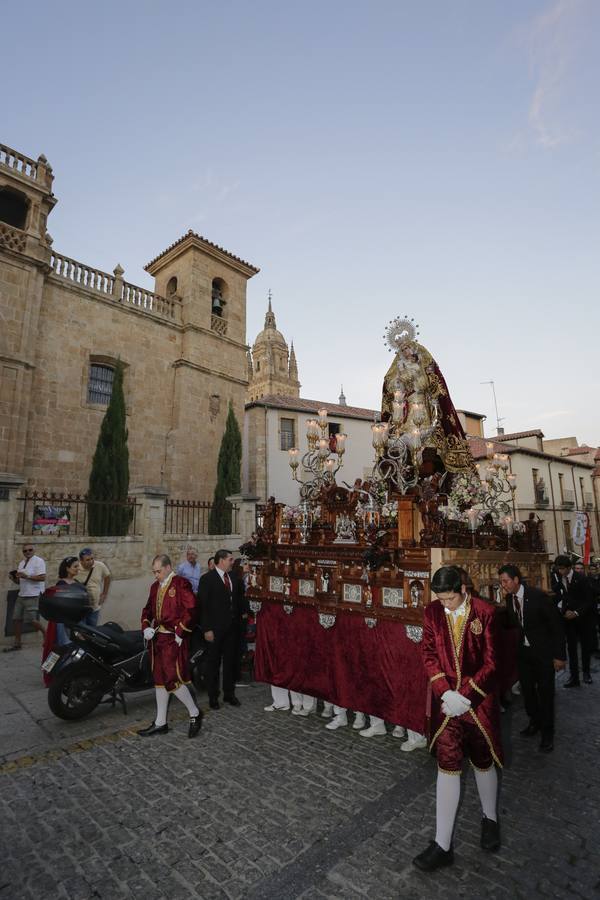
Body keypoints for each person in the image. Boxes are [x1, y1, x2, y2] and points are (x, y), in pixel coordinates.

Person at [413, 566, 502, 873]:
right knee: (447, 764)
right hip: (448, 705)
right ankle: (442, 844)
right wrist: (444, 692)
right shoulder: (432, 612)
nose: (446, 605)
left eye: (450, 598)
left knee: (482, 760)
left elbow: (493, 662)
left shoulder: (486, 612)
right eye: (441, 599)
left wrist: (467, 695)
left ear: (463, 588)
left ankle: (490, 818)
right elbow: (427, 654)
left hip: (479, 702)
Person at [498, 564, 566, 752]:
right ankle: (534, 722)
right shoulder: (509, 599)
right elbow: (515, 625)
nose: (503, 585)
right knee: (528, 692)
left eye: (505, 581)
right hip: (524, 655)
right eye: (501, 582)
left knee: (545, 694)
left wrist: (560, 656)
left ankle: (547, 734)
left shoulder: (538, 597)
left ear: (516, 580)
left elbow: (556, 626)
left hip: (544, 654)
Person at [137, 554, 202, 739]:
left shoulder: (181, 584)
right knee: (159, 679)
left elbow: (191, 609)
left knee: (171, 678)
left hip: (174, 639)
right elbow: (147, 610)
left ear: (167, 568)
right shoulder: (154, 587)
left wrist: (181, 632)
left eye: (158, 571)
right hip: (157, 639)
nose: (156, 575)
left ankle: (195, 713)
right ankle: (160, 722)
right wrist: (146, 627)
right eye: (154, 572)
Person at [198, 549, 243, 710]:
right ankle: (213, 696)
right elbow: (203, 606)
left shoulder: (233, 577)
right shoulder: (207, 579)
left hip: (231, 628)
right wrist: (207, 629)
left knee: (230, 662)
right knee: (213, 664)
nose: (233, 562)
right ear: (221, 560)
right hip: (214, 630)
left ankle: (229, 694)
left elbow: (238, 600)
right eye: (230, 559)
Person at [552, 554, 595, 686]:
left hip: (583, 618)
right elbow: (564, 596)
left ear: (569, 568)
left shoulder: (581, 578)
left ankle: (586, 673)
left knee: (585, 647)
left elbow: (589, 600)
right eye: (558, 569)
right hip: (568, 620)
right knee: (571, 649)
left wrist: (576, 613)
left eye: (563, 569)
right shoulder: (560, 577)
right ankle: (574, 677)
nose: (560, 572)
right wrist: (563, 610)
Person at [5, 544, 46, 652]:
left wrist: (26, 576)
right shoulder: (22, 563)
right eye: (25, 551)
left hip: (32, 595)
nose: (27, 552)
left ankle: (47, 635)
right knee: (16, 619)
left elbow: (42, 577)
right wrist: (13, 579)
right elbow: (20, 581)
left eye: (30, 550)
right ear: (23, 552)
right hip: (21, 594)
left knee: (31, 620)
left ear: (34, 550)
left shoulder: (39, 561)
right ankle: (17, 643)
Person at [75, 548, 111, 627]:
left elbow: (107, 577)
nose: (91, 561)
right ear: (81, 561)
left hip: (94, 607)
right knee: (82, 632)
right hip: (80, 608)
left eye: (92, 558)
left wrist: (104, 594)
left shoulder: (100, 565)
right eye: (87, 560)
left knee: (93, 632)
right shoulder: (76, 568)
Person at [55, 556, 85, 645]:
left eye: (78, 566)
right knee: (66, 644)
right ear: (67, 569)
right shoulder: (61, 584)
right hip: (66, 621)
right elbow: (60, 604)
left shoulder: (76, 581)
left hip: (77, 619)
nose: (78, 568)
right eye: (75, 566)